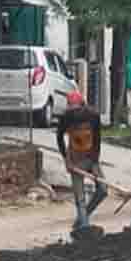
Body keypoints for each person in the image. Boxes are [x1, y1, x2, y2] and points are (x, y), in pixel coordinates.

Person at [56, 89, 106, 233]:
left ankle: (81, 219)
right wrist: (66, 159)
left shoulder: (93, 116)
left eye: (76, 109)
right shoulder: (66, 117)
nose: (74, 113)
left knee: (103, 190)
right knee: (80, 198)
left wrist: (95, 160)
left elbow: (97, 139)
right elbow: (59, 137)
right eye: (71, 109)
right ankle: (84, 228)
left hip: (91, 157)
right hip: (75, 158)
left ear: (82, 105)